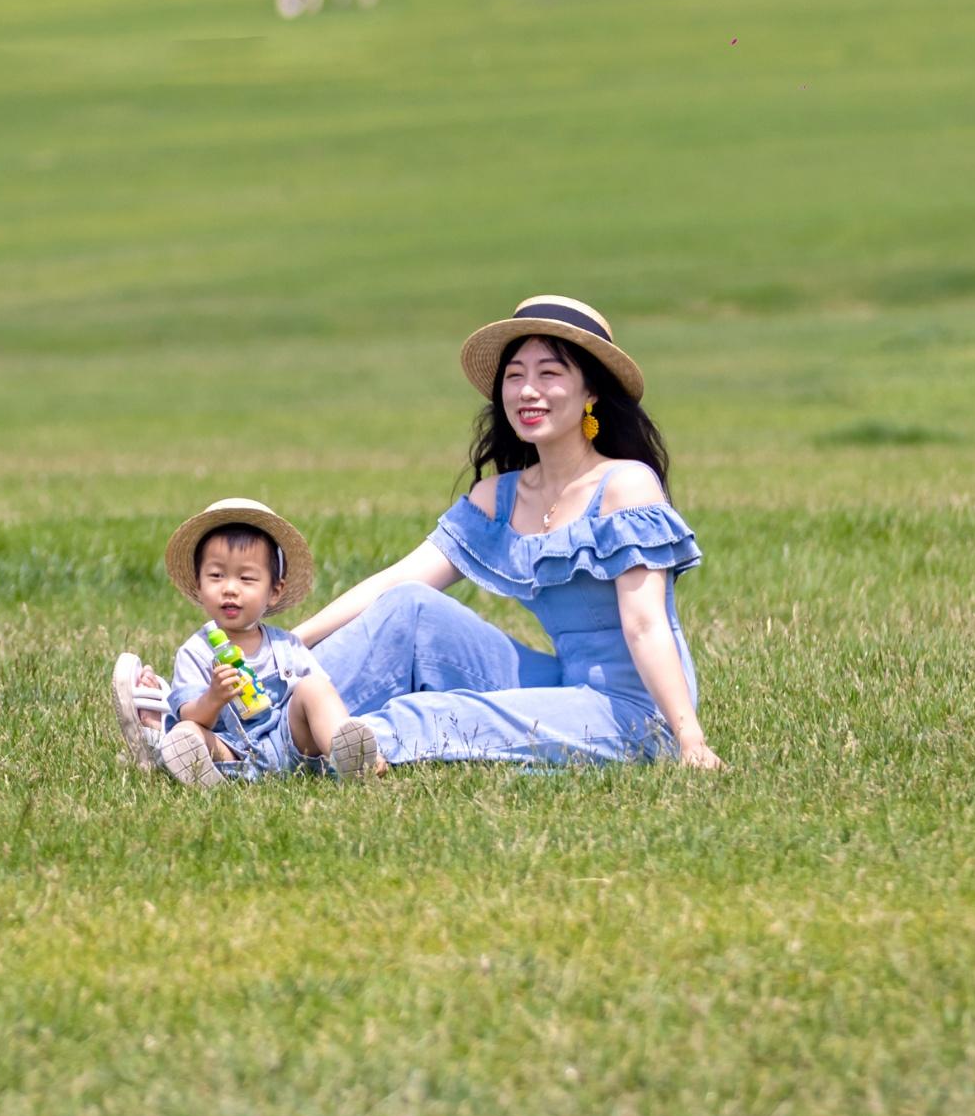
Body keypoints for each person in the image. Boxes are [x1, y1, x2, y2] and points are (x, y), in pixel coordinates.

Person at [281, 295, 720, 776]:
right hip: (564, 685)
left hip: (638, 711)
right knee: (409, 608)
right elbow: (394, 582)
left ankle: (286, 753)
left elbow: (645, 625)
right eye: (515, 376)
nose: (528, 390)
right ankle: (239, 722)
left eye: (549, 374)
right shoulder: (499, 498)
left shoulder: (625, 485)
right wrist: (286, 643)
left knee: (439, 716)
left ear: (591, 391)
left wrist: (688, 739)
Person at [109, 498, 333, 786]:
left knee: (315, 689)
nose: (229, 588)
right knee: (187, 731)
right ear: (199, 586)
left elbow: (323, 694)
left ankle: (351, 754)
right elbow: (191, 713)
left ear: (274, 591)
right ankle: (204, 773)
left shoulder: (286, 646)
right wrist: (214, 697)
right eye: (216, 576)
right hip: (232, 749)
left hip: (292, 745)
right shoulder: (196, 652)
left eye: (246, 578)